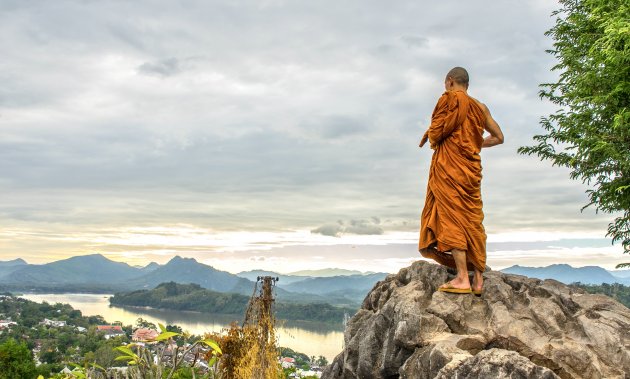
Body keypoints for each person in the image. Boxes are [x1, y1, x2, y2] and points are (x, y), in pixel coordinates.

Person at [418, 67, 504, 295]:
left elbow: (436, 134)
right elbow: (498, 137)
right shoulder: (480, 107)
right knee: (472, 219)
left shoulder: (448, 100)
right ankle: (478, 281)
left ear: (449, 82)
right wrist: (474, 143)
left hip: (449, 168)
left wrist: (439, 137)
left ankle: (463, 278)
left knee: (453, 218)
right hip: (470, 171)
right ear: (467, 83)